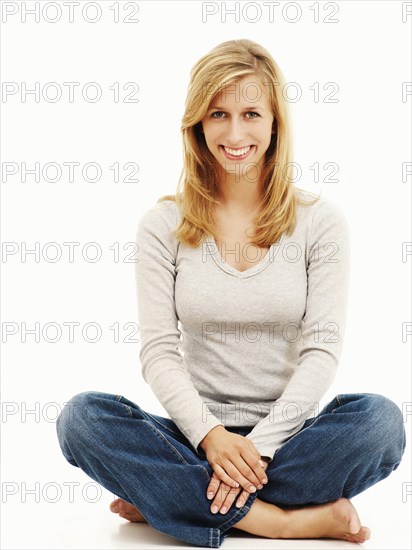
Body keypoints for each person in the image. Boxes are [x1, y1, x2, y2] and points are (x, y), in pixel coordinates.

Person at [56, 39, 406, 548]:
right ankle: (280, 520)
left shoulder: (320, 223)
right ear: (197, 123)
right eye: (218, 113)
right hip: (193, 435)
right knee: (81, 419)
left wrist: (257, 449)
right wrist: (211, 439)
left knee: (380, 423)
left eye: (251, 113)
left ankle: (166, 497)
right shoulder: (163, 224)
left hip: (289, 441)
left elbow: (321, 351)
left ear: (274, 123)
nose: (235, 132)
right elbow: (158, 351)